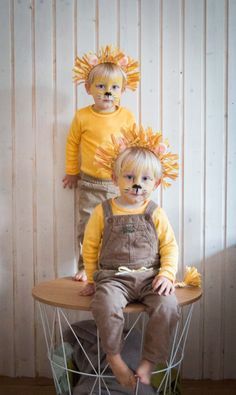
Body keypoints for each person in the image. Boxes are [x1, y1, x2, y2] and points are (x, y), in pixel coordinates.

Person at [80, 125, 180, 389]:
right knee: (105, 305)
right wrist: (92, 279)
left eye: (146, 179)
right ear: (115, 178)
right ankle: (114, 358)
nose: (137, 184)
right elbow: (89, 246)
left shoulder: (155, 212)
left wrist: (167, 274)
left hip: (150, 276)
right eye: (129, 177)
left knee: (168, 306)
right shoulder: (103, 211)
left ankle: (148, 363)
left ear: (156, 183)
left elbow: (169, 246)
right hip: (114, 278)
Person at [62, 45, 140, 282]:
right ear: (88, 88)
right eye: (101, 86)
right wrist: (72, 172)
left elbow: (132, 145)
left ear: (122, 90)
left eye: (114, 87)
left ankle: (116, 267)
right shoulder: (82, 116)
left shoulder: (126, 116)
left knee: (118, 226)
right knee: (87, 226)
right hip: (90, 183)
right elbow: (72, 143)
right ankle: (86, 266)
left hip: (118, 183)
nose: (108, 92)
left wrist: (134, 176)